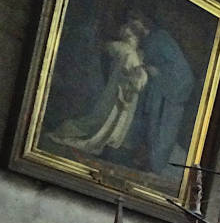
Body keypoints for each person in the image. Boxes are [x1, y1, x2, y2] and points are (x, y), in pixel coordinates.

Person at [47, 19, 149, 155]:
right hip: (117, 90)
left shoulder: (127, 51)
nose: (123, 31)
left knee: (103, 117)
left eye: (127, 30)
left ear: (132, 35)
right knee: (101, 116)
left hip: (119, 92)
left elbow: (133, 74)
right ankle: (68, 131)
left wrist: (132, 77)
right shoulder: (129, 52)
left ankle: (70, 132)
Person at [126, 10, 195, 176]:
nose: (133, 28)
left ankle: (156, 167)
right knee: (151, 129)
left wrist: (158, 71)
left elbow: (180, 68)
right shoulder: (147, 41)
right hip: (157, 93)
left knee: (164, 133)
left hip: (171, 93)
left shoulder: (161, 38)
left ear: (143, 22)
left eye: (135, 24)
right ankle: (151, 164)